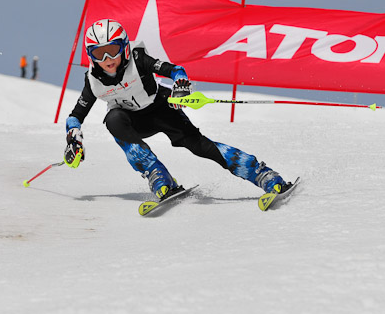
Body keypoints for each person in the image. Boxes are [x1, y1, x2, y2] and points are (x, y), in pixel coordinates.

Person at [64, 19, 293, 200]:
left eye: (112, 49)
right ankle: (159, 177)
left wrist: (181, 85)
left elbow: (175, 70)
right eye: (98, 53)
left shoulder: (138, 59)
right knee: (113, 119)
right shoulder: (93, 81)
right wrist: (74, 139)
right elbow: (76, 116)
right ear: (90, 55)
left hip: (161, 108)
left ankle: (262, 174)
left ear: (124, 47)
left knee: (199, 146)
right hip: (133, 123)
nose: (107, 58)